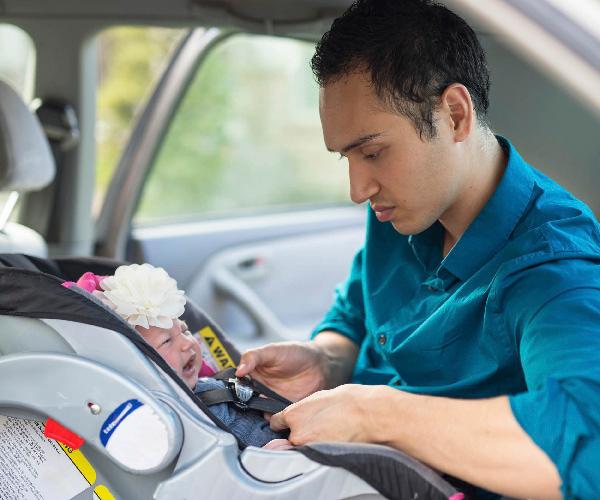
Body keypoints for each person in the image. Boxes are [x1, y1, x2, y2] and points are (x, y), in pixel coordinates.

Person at [235, 0, 600, 498]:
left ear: (454, 114)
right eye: (347, 157)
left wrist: (374, 413)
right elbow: (355, 314)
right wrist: (326, 360)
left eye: (373, 152)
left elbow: (587, 445)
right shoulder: (406, 207)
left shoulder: (553, 268)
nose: (358, 188)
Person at [64, 264, 290, 449]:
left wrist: (259, 402)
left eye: (184, 330)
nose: (186, 343)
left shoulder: (207, 384)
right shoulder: (165, 425)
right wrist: (258, 460)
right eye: (166, 341)